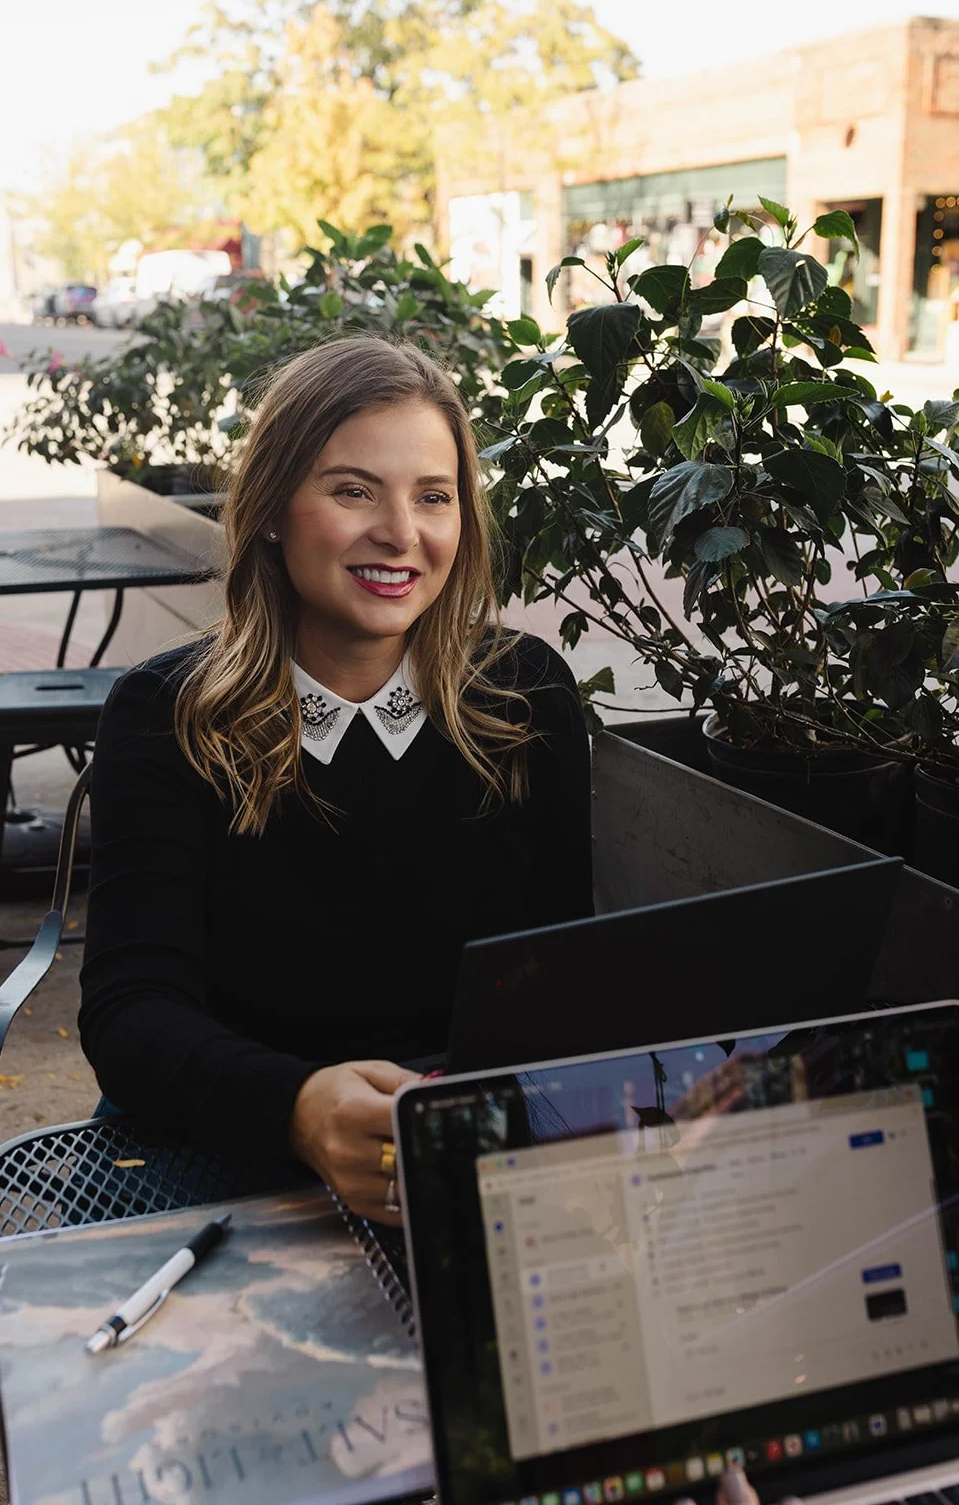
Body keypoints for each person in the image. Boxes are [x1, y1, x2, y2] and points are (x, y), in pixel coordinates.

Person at [78, 335, 593, 1226]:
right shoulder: (167, 714)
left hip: (462, 1144)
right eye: (353, 490)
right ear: (274, 508)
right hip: (227, 1140)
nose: (401, 533)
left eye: (434, 497)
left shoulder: (525, 694)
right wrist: (299, 1108)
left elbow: (560, 968)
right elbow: (132, 1015)